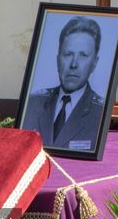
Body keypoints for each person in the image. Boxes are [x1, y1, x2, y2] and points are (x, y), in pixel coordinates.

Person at [23, 16, 105, 150]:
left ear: (94, 63)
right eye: (67, 54)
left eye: (83, 55)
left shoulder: (100, 112)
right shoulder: (33, 103)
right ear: (58, 59)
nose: (74, 64)